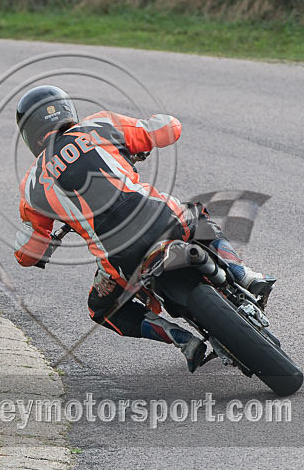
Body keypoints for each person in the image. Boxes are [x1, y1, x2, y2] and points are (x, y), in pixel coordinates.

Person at [14, 85, 274, 373]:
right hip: (164, 219)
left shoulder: (32, 185)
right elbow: (169, 129)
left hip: (119, 259)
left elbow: (28, 253)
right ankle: (243, 273)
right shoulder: (98, 125)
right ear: (67, 111)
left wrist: (41, 247)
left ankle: (181, 339)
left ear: (29, 134)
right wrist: (145, 138)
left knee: (100, 309)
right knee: (198, 216)